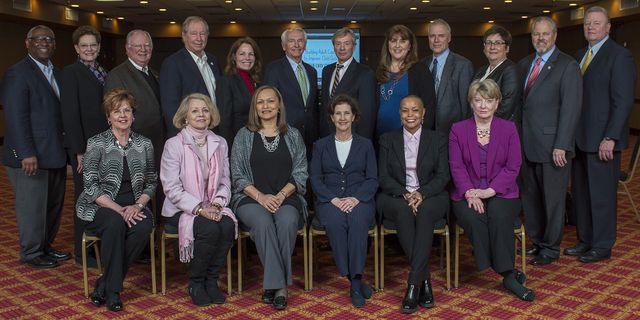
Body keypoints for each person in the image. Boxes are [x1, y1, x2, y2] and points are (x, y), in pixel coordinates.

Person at [449, 79, 534, 302]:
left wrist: (490, 191)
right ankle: (507, 273)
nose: (483, 105)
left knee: (498, 215)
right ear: (471, 103)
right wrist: (469, 191)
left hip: (503, 191)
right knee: (473, 216)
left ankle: (503, 272)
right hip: (467, 192)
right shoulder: (458, 129)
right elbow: (456, 166)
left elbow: (513, 166)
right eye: (478, 100)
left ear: (497, 103)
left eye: (489, 100)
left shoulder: (508, 129)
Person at [76, 88, 156, 312]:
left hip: (134, 205)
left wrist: (138, 205)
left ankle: (104, 283)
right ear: (108, 116)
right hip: (100, 205)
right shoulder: (97, 143)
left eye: (127, 110)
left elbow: (151, 181)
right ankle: (113, 291)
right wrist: (119, 209)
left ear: (133, 115)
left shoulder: (144, 144)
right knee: (114, 224)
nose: (123, 115)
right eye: (117, 111)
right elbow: (90, 185)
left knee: (143, 226)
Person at [567, 6, 637, 263]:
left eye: (596, 23)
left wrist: (611, 137)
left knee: (602, 196)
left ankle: (603, 244)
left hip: (603, 141)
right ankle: (585, 240)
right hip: (579, 139)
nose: (590, 27)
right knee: (582, 194)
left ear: (608, 28)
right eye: (587, 23)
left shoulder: (619, 56)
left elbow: (623, 102)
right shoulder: (578, 56)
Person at [230, 85, 308, 311]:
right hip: (250, 198)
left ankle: (272, 285)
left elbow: (301, 172)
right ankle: (281, 286)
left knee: (286, 222)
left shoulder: (292, 134)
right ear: (255, 107)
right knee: (263, 222)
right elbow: (237, 175)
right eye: (260, 102)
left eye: (270, 101)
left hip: (287, 197)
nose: (265, 106)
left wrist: (282, 195)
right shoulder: (244, 135)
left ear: (279, 105)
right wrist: (261, 197)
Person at [2, 25, 70, 269]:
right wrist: (25, 153)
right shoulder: (17, 74)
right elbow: (15, 117)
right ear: (27, 43)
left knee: (52, 206)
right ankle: (31, 253)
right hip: (30, 157)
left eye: (49, 39)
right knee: (33, 208)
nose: (45, 43)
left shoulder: (58, 73)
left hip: (55, 152)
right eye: (39, 39)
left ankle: (45, 247)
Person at [517, 16, 582, 266]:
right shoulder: (524, 64)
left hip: (553, 146)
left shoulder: (567, 65)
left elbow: (571, 109)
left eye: (545, 34)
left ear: (554, 36)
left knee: (552, 200)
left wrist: (562, 144)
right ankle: (536, 240)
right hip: (526, 143)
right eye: (536, 34)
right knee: (530, 197)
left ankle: (551, 247)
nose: (540, 38)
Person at [160, 93, 237, 306]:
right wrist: (200, 209)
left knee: (228, 225)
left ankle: (211, 281)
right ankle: (196, 282)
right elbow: (171, 187)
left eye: (205, 110)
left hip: (212, 204)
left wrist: (217, 203)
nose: (201, 114)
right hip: (182, 209)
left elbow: (225, 181)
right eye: (195, 110)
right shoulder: (174, 144)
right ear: (185, 117)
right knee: (210, 229)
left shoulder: (220, 143)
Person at [377, 95, 449, 314]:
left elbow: (443, 176)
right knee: (402, 211)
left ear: (423, 113)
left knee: (425, 211)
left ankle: (412, 284)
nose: (410, 115)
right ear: (399, 114)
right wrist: (406, 194)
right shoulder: (387, 139)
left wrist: (422, 193)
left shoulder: (437, 139)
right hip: (396, 196)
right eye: (405, 110)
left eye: (415, 110)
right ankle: (424, 282)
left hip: (431, 195)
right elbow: (384, 177)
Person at [310, 94, 378, 307]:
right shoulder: (320, 145)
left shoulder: (365, 145)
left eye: (346, 113)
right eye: (337, 113)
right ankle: (355, 282)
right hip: (329, 201)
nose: (342, 117)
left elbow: (372, 179)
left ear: (354, 116)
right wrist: (333, 199)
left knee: (357, 222)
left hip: (360, 200)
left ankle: (355, 281)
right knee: (336, 223)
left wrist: (356, 198)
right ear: (331, 117)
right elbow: (315, 178)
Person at [59, 25, 110, 266]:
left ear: (98, 47)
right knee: (85, 198)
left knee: (103, 195)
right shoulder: (70, 73)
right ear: (76, 49)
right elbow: (69, 115)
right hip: (85, 149)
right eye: (84, 45)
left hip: (105, 146)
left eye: (93, 45)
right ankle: (83, 254)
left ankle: (100, 247)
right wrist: (79, 152)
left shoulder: (102, 72)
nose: (89, 49)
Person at [104, 29, 164, 165]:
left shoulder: (155, 74)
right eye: (138, 46)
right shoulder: (117, 75)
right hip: (134, 148)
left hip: (158, 144)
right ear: (127, 48)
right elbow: (116, 117)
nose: (143, 49)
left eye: (147, 45)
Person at [160, 16, 222, 138]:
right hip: (188, 136)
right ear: (184, 36)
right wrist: (183, 138)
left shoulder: (212, 60)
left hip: (213, 133)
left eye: (202, 33)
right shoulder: (173, 63)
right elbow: (170, 108)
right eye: (194, 34)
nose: (199, 38)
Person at [263, 28, 318, 156]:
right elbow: (268, 106)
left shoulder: (311, 71)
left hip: (309, 137)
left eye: (300, 41)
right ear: (283, 46)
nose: (296, 45)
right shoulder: (273, 69)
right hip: (283, 134)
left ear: (305, 45)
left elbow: (313, 107)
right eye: (291, 41)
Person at [375, 25, 436, 138]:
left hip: (410, 139)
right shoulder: (378, 71)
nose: (397, 45)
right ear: (388, 44)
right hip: (380, 139)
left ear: (409, 46)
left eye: (403, 41)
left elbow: (429, 107)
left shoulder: (420, 71)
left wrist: (422, 139)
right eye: (393, 41)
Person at [319, 28, 377, 140]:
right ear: (333, 47)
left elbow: (367, 116)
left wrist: (361, 143)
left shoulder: (365, 73)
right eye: (338, 44)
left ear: (354, 47)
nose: (342, 48)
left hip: (351, 137)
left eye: (346, 43)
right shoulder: (327, 70)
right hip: (327, 137)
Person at [425, 19, 474, 135]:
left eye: (441, 36)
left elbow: (467, 105)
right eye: (432, 36)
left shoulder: (463, 65)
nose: (436, 40)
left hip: (453, 132)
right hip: (427, 133)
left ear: (449, 38)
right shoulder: (422, 64)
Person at [472, 25, 521, 123]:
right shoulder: (481, 70)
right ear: (484, 48)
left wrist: (480, 122)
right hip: (480, 128)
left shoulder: (511, 70)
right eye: (489, 43)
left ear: (507, 48)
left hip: (499, 129)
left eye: (498, 43)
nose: (492, 47)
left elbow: (506, 107)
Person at [219, 37, 262, 147]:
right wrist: (227, 150)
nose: (247, 58)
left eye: (251, 54)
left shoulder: (257, 82)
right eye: (242, 54)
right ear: (234, 57)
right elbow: (225, 120)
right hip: (237, 143)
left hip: (256, 141)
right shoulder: (226, 81)